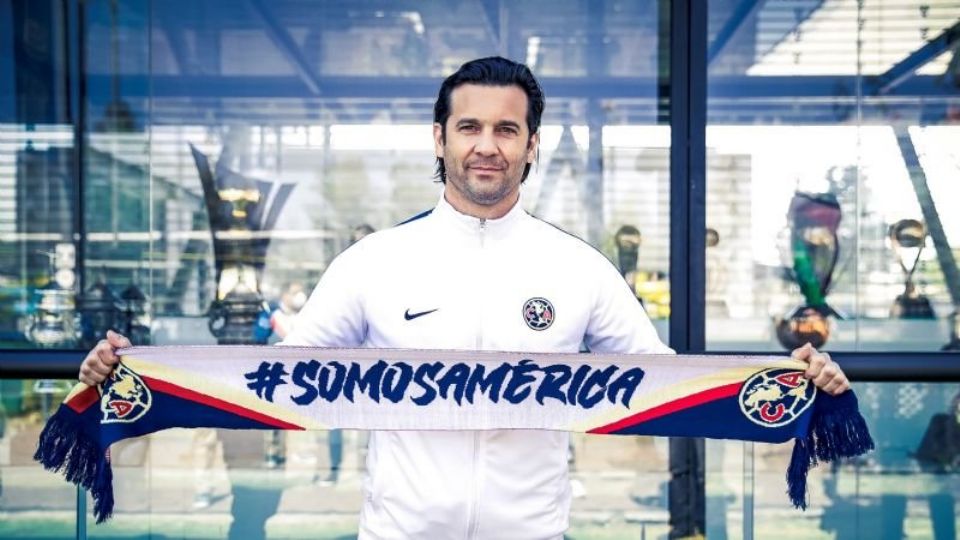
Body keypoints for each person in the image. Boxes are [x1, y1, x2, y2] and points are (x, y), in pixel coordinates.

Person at [80, 57, 851, 539]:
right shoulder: (373, 263)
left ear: (531, 145)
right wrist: (129, 373)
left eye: (507, 130)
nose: (487, 145)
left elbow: (661, 383)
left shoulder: (579, 268)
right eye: (470, 126)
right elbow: (278, 376)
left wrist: (797, 381)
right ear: (440, 138)